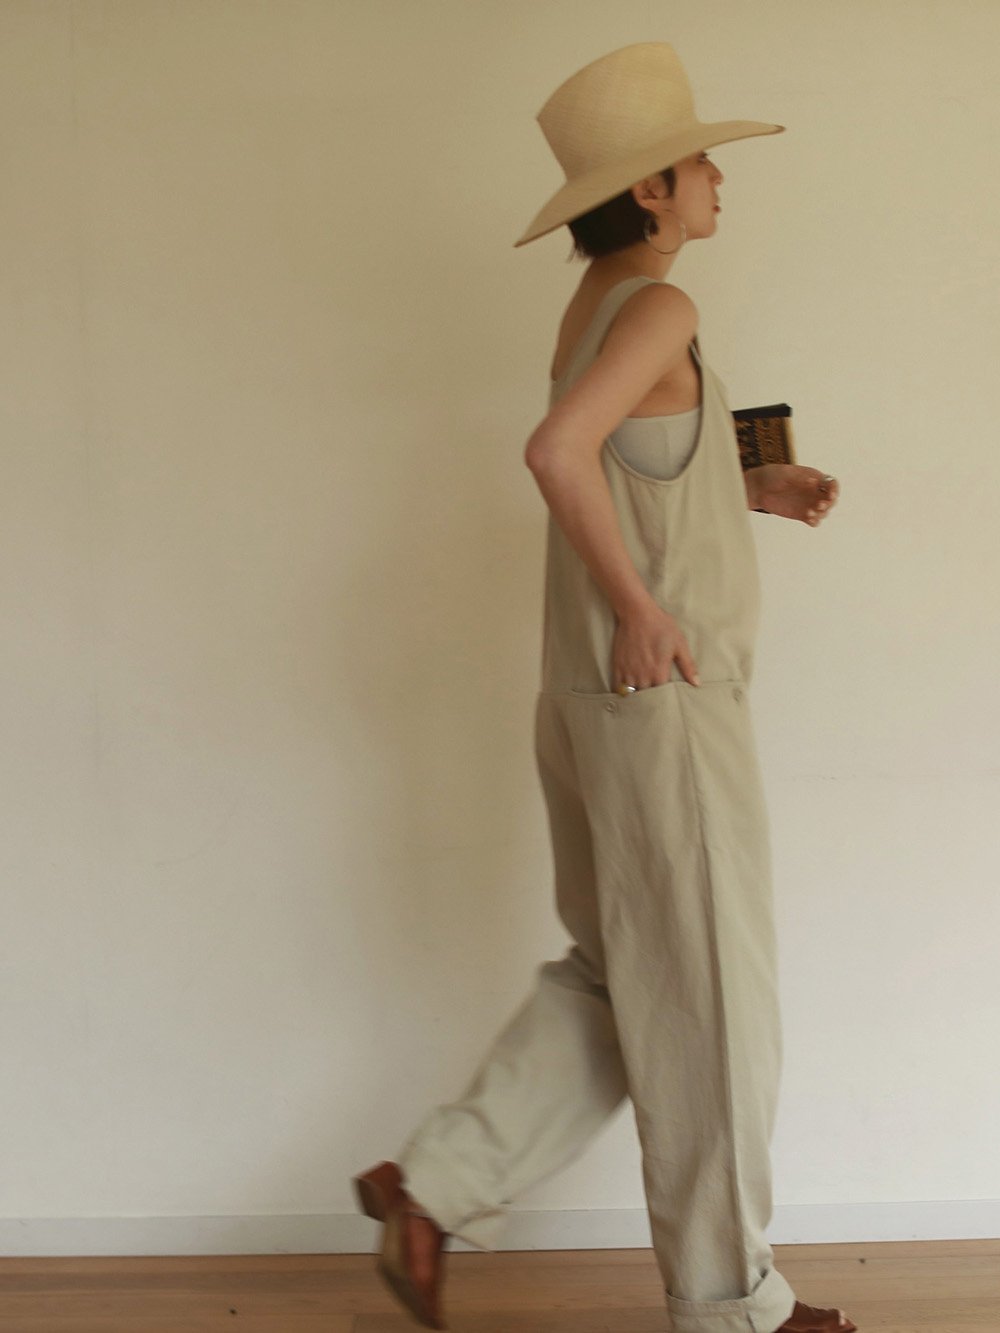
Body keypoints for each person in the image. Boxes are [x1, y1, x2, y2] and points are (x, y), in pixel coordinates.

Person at [352, 41, 856, 1333]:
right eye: (702, 163)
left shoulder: (592, 310)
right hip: (670, 702)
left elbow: (620, 458)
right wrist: (641, 606)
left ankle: (436, 1185)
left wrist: (746, 482)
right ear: (650, 191)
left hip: (587, 707)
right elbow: (556, 452)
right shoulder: (661, 308)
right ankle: (733, 1308)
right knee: (714, 1005)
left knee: (617, 980)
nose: (719, 180)